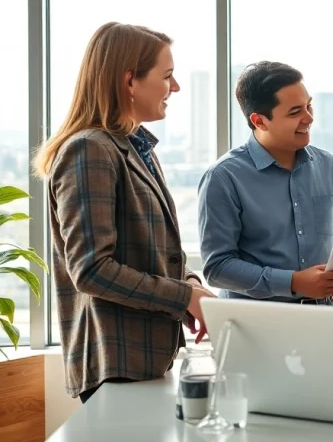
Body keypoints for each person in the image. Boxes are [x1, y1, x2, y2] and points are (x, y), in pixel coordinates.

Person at [34, 22, 217, 403]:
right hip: (115, 362)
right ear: (130, 80)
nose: (176, 87)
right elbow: (93, 270)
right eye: (167, 76)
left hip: (145, 359)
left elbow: (154, 251)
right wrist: (184, 297)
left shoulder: (134, 148)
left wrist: (192, 286)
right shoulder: (88, 150)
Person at [198, 61, 333, 305]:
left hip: (324, 319)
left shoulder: (329, 166)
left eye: (309, 106)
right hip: (257, 326)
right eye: (295, 112)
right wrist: (293, 282)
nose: (308, 118)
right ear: (259, 120)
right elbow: (217, 267)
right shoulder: (223, 177)